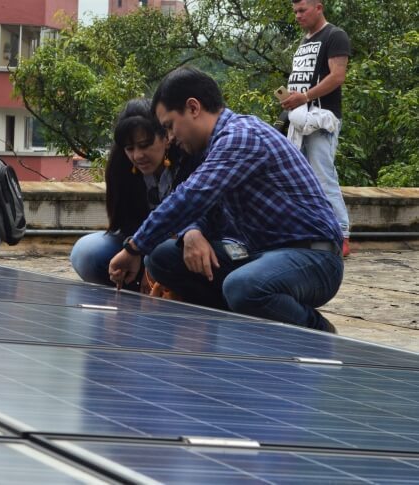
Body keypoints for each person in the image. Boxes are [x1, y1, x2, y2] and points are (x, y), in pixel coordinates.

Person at [109, 67, 344, 333]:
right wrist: (191, 233)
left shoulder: (240, 136)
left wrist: (134, 248)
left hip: (314, 259)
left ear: (193, 108)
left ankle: (319, 332)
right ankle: (225, 327)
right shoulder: (216, 146)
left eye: (170, 126)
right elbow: (207, 210)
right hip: (260, 255)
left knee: (243, 287)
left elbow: (190, 197)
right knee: (162, 258)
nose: (171, 137)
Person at [70, 98, 199, 289]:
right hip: (138, 245)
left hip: (183, 244)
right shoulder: (120, 167)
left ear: (166, 137)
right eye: (130, 149)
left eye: (145, 145)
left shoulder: (190, 158)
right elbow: (125, 221)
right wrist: (136, 249)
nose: (138, 156)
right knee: (87, 252)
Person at [282, 0, 351, 256]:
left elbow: (337, 76)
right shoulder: (303, 42)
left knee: (323, 176)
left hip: (322, 118)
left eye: (302, 10)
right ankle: (307, 232)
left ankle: (342, 233)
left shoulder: (335, 35)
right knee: (296, 178)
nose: (298, 16)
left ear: (318, 7)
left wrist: (305, 96)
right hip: (299, 118)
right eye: (295, 12)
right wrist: (292, 97)